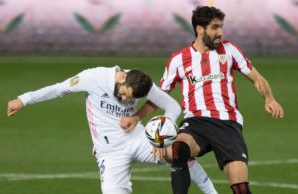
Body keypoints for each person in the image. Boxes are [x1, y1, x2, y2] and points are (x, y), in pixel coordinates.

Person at [121, 6, 284, 194]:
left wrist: (269, 98)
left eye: (221, 27)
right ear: (200, 29)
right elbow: (159, 97)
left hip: (227, 123)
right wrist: (136, 117)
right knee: (177, 149)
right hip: (195, 122)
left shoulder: (229, 50)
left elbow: (257, 78)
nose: (220, 32)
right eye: (215, 27)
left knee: (240, 186)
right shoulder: (178, 60)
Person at [7, 66, 218, 194]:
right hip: (110, 153)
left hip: (137, 140)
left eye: (132, 99)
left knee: (177, 151)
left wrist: (158, 136)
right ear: (122, 78)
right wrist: (24, 99)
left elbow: (173, 106)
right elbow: (59, 89)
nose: (126, 100)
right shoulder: (93, 78)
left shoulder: (143, 84)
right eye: (126, 94)